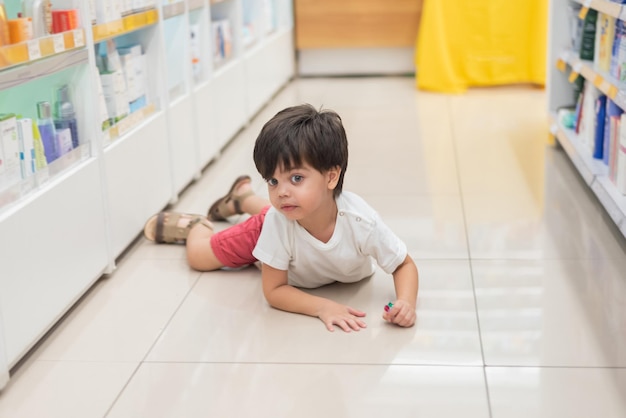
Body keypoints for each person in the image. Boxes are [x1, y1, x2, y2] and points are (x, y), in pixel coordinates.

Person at [144, 104, 419, 332]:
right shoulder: (277, 221)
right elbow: (274, 290)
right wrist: (322, 306)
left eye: (296, 178)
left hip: (289, 219)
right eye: (272, 181)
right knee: (200, 258)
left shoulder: (361, 222)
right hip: (266, 228)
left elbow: (403, 264)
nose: (282, 191)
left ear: (331, 176)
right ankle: (196, 226)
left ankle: (242, 198)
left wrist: (405, 302)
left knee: (280, 208)